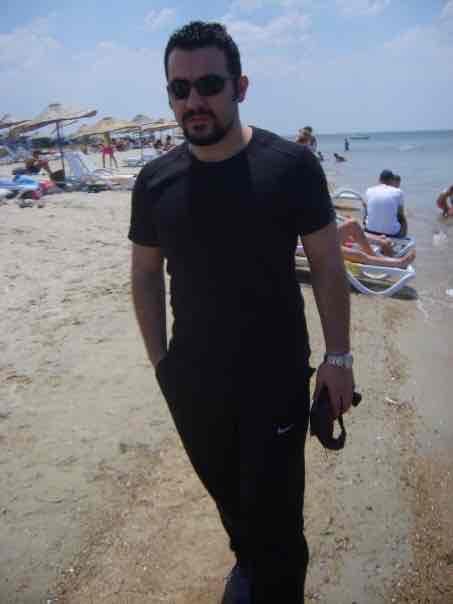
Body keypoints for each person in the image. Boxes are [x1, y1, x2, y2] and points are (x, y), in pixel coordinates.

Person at [129, 21, 354, 604]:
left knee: (279, 521)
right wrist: (161, 363)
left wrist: (338, 358)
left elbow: (328, 265)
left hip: (274, 379)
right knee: (229, 498)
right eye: (180, 89)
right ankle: (249, 564)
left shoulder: (291, 166)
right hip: (191, 383)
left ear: (240, 87)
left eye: (209, 84)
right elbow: (146, 272)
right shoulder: (154, 182)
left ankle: (269, 580)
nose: (194, 101)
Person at [336, 218, 415, 268]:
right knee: (359, 255)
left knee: (353, 224)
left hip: (330, 239)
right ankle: (399, 263)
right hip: (328, 249)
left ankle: (373, 255)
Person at [365, 169, 407, 237]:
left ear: (379, 180)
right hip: (391, 233)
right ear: (392, 180)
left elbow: (368, 210)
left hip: (369, 230)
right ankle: (402, 238)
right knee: (402, 218)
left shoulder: (369, 190)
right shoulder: (398, 192)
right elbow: (400, 214)